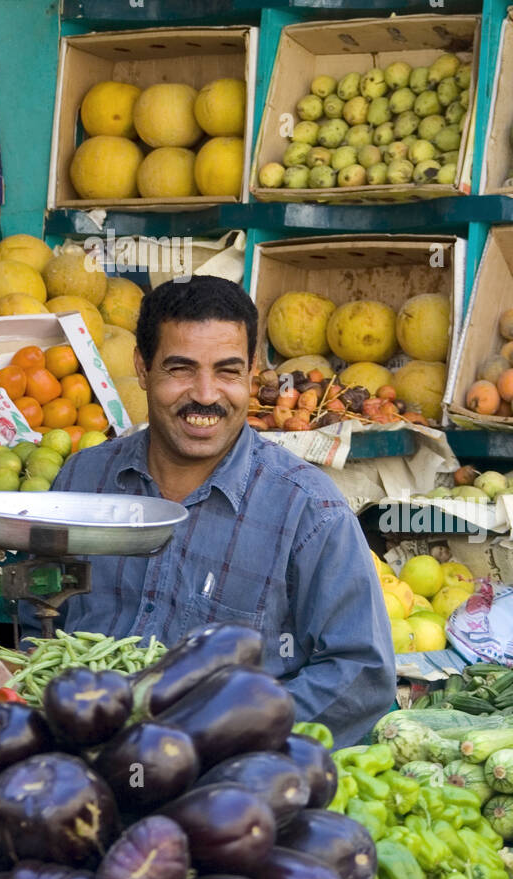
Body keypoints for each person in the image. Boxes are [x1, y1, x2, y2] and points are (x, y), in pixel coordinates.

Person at [48, 275, 395, 746]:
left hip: (224, 789)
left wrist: (227, 740)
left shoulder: (309, 510)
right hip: (77, 758)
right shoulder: (81, 482)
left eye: (228, 372)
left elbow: (361, 674)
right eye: (181, 369)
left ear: (253, 373)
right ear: (142, 368)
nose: (206, 395)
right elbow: (39, 620)